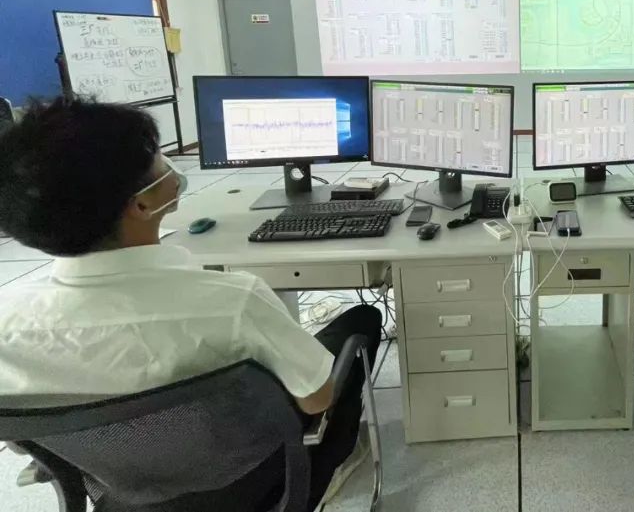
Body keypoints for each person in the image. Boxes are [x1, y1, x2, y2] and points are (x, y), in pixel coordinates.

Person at [0, 96, 381, 512]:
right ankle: (334, 463)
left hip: (124, 494)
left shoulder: (6, 327)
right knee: (361, 321)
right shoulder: (233, 302)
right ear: (141, 204)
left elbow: (24, 439)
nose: (168, 164)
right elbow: (317, 400)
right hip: (260, 481)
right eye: (156, 156)